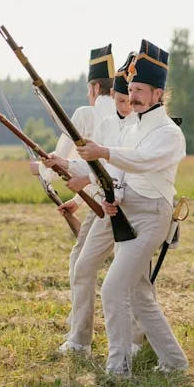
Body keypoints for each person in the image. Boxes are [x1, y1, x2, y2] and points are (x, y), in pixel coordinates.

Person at [76, 39, 189, 376]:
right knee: (140, 296)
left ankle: (118, 365)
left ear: (159, 95)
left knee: (112, 287)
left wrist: (104, 153)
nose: (135, 95)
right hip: (126, 213)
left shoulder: (169, 133)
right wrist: (65, 165)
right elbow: (111, 168)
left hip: (153, 215)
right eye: (133, 88)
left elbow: (140, 161)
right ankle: (174, 361)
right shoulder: (134, 127)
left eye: (142, 90)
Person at [41, 53, 144, 356]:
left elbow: (125, 167)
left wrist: (50, 172)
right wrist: (62, 165)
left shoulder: (142, 127)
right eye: (120, 98)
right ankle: (80, 341)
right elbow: (93, 165)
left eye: (128, 99)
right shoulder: (110, 123)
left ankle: (136, 340)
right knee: (84, 267)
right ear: (110, 91)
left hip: (133, 207)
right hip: (105, 204)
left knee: (138, 279)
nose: (123, 104)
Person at [29, 44, 117, 325]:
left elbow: (65, 158)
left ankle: (79, 331)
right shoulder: (122, 111)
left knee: (80, 264)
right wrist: (78, 200)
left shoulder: (84, 114)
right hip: (119, 198)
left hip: (105, 204)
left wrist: (42, 170)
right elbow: (103, 168)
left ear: (93, 87)